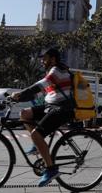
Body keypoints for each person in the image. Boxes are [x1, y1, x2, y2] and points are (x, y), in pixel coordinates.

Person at [11, 48, 74, 187]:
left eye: (44, 58)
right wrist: (17, 99)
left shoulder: (57, 71)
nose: (41, 61)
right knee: (24, 113)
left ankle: (51, 169)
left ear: (53, 59)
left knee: (36, 134)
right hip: (51, 106)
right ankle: (37, 144)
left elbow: (40, 85)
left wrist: (20, 93)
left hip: (62, 109)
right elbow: (38, 94)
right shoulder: (52, 72)